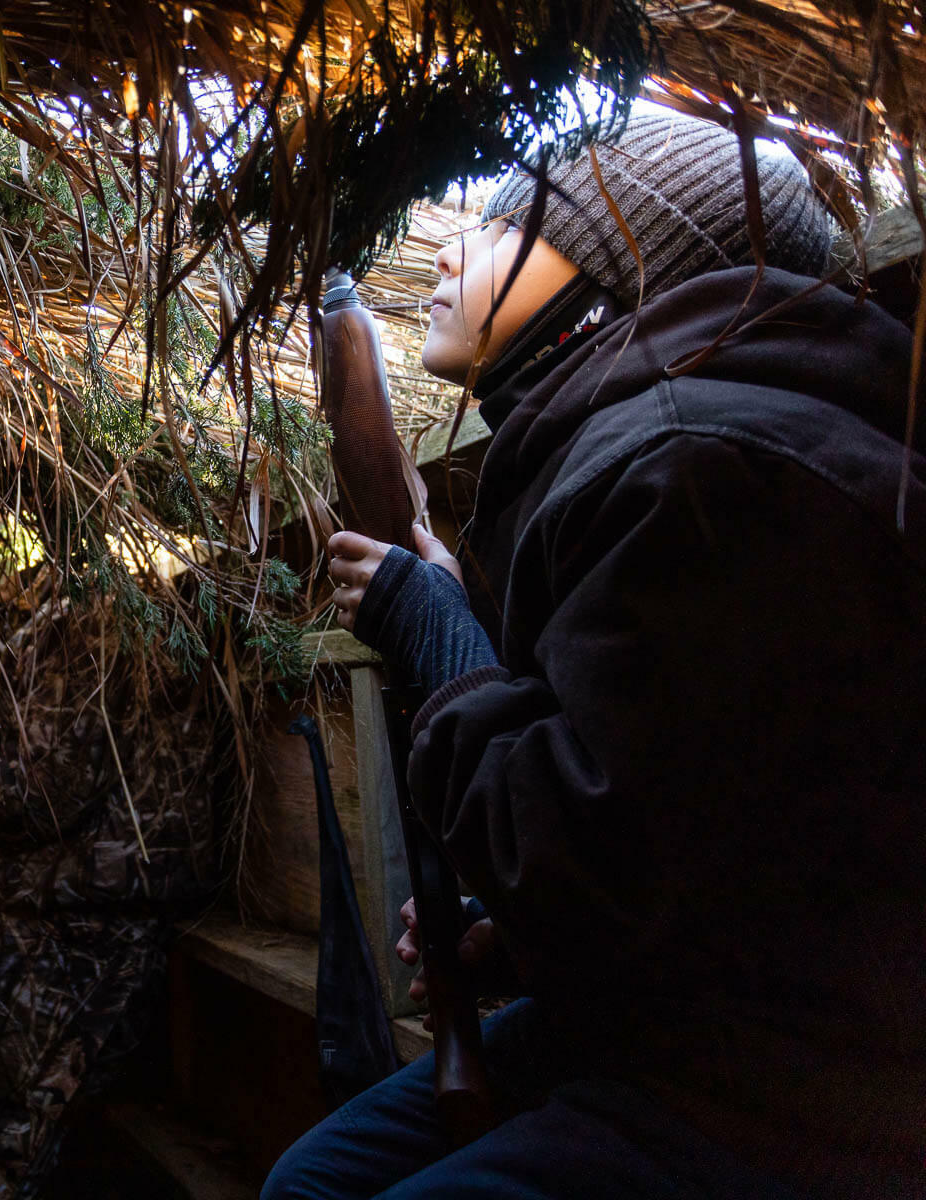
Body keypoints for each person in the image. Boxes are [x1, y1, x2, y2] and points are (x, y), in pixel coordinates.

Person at [267, 110, 926, 1199]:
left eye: (500, 227)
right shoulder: (640, 448)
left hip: (791, 1098)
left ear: (627, 263)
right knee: (316, 1179)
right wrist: (509, 947)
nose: (445, 248)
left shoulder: (699, 470)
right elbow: (711, 869)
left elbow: (597, 865)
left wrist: (437, 636)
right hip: (682, 1022)